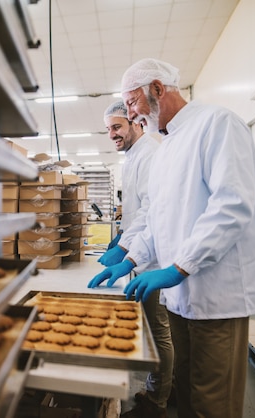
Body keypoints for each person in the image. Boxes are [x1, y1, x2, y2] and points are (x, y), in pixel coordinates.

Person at [88, 58, 255, 418]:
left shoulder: (217, 124)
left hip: (217, 296)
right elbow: (158, 217)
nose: (132, 113)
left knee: (211, 403)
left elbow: (231, 206)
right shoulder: (167, 146)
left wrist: (179, 267)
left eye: (133, 102)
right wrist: (131, 257)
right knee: (187, 395)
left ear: (157, 89)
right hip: (181, 298)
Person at [90, 101, 172, 418]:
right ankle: (162, 387)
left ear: (135, 123)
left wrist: (126, 251)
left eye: (117, 127)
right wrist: (120, 238)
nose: (112, 134)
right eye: (108, 128)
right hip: (139, 253)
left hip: (151, 260)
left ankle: (157, 402)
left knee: (157, 331)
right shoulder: (132, 156)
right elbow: (135, 211)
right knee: (152, 331)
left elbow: (152, 213)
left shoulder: (150, 154)